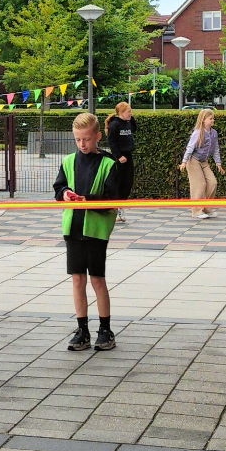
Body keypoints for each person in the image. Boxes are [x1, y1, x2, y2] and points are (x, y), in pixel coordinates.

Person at [54, 112, 131, 352]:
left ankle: (105, 329)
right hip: (73, 227)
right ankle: (82, 329)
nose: (82, 144)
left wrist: (88, 199)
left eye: (86, 139)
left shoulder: (108, 164)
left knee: (97, 279)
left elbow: (112, 199)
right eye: (78, 139)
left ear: (98, 136)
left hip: (96, 230)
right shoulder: (67, 161)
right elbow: (58, 187)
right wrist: (65, 193)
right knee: (77, 279)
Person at [180, 109, 223, 219]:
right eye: (210, 118)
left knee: (213, 182)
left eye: (213, 118)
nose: (213, 120)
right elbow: (190, 147)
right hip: (193, 160)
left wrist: (218, 163)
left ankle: (206, 208)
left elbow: (216, 149)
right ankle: (196, 211)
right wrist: (184, 162)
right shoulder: (198, 132)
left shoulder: (213, 133)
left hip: (204, 161)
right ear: (203, 120)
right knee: (199, 185)